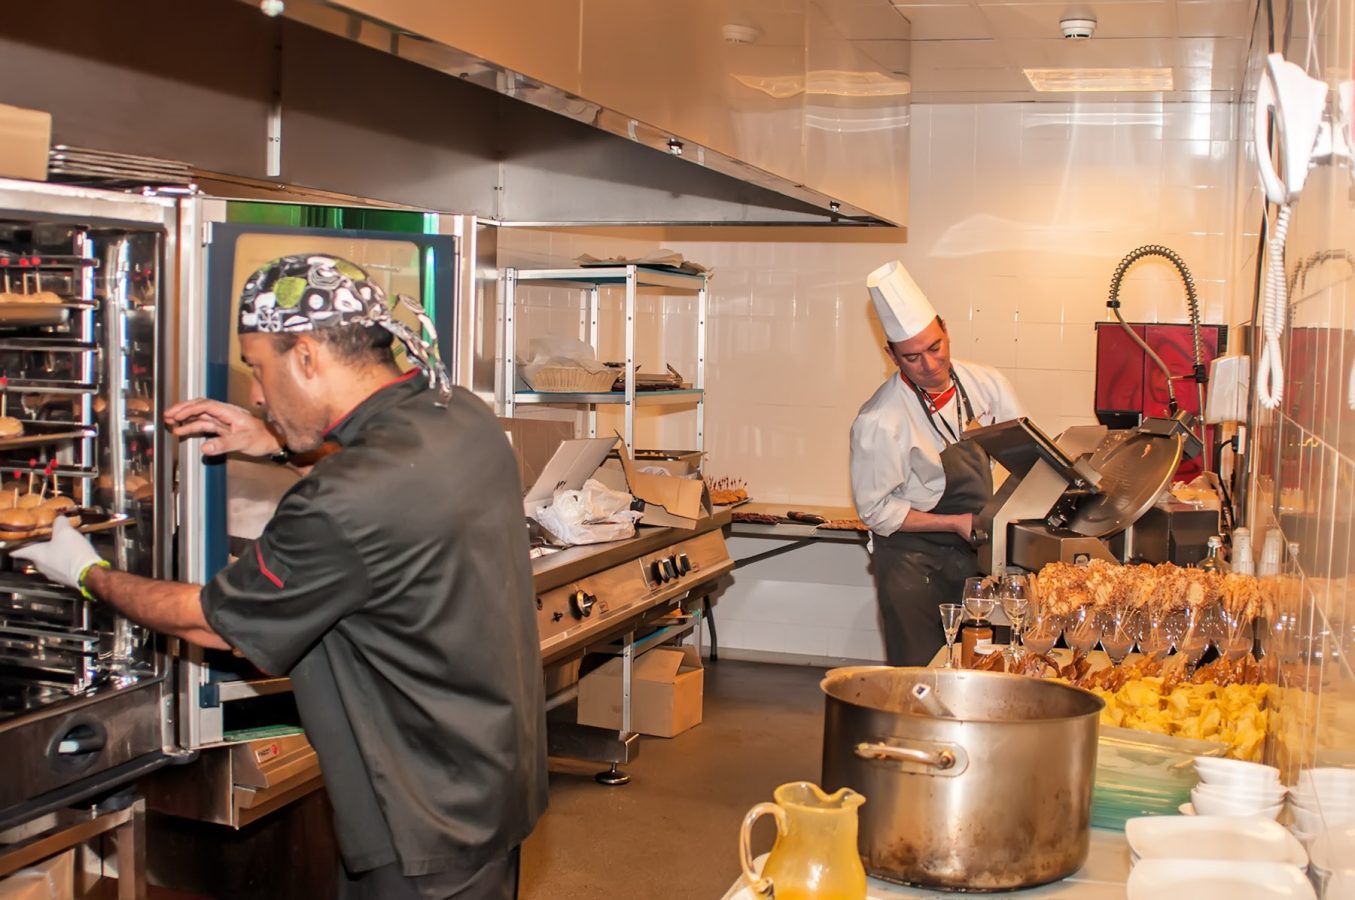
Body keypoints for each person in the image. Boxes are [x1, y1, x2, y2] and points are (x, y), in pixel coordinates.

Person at [16, 254, 547, 900]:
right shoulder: (459, 414)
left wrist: (84, 569)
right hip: (490, 780)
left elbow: (213, 624)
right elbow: (386, 502)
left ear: (306, 357)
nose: (258, 397)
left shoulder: (344, 500)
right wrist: (275, 442)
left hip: (420, 819)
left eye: (259, 369)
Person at [849, 260, 1024, 667]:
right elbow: (875, 510)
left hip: (975, 554)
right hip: (912, 563)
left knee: (982, 668)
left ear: (946, 330)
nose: (930, 365)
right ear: (892, 356)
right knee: (920, 676)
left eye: (935, 348)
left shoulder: (987, 385)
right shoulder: (880, 420)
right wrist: (953, 522)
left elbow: (1025, 455)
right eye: (912, 357)